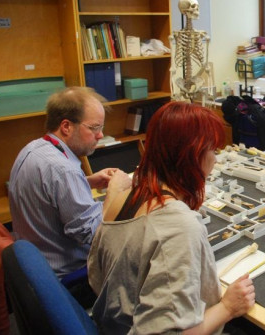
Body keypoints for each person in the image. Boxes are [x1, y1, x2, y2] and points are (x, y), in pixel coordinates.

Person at [88, 102, 255, 334]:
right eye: (212, 150)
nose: (215, 160)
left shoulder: (124, 196)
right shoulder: (180, 227)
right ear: (192, 156)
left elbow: (96, 278)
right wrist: (228, 307)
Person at [8, 87, 127, 279]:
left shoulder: (33, 149)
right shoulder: (63, 169)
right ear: (66, 126)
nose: (100, 135)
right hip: (70, 276)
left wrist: (86, 182)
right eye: (94, 128)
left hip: (37, 267)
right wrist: (114, 193)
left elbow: (46, 192)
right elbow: (93, 234)